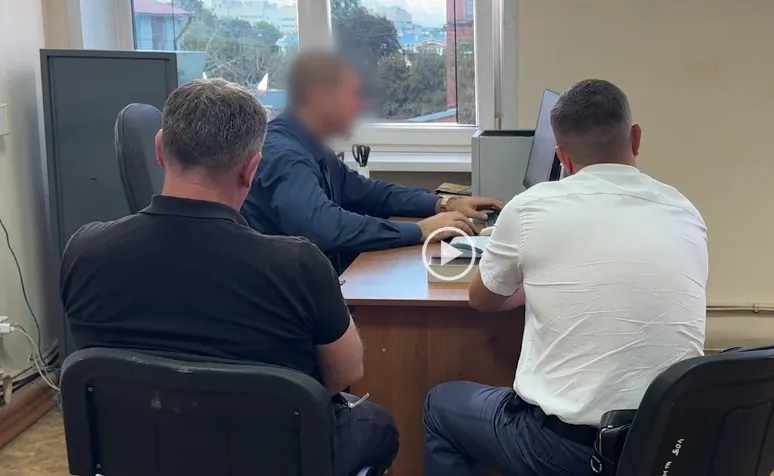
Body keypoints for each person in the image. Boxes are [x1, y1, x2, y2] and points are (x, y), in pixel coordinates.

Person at [60, 79, 398, 476]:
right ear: (251, 169)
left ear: (160, 149)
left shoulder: (84, 251)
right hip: (270, 456)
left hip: (138, 451)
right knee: (378, 425)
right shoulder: (297, 264)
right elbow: (345, 373)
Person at [421, 79, 708, 476]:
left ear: (563, 158)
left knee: (440, 406)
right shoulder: (685, 210)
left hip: (572, 452)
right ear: (636, 138)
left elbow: (482, 299)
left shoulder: (530, 208)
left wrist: (528, 288)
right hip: (671, 450)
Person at [242, 50, 502, 273]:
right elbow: (324, 226)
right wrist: (420, 231)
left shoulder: (309, 146)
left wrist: (444, 203)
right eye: (353, 94)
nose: (360, 106)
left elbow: (371, 193)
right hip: (288, 301)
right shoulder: (285, 156)